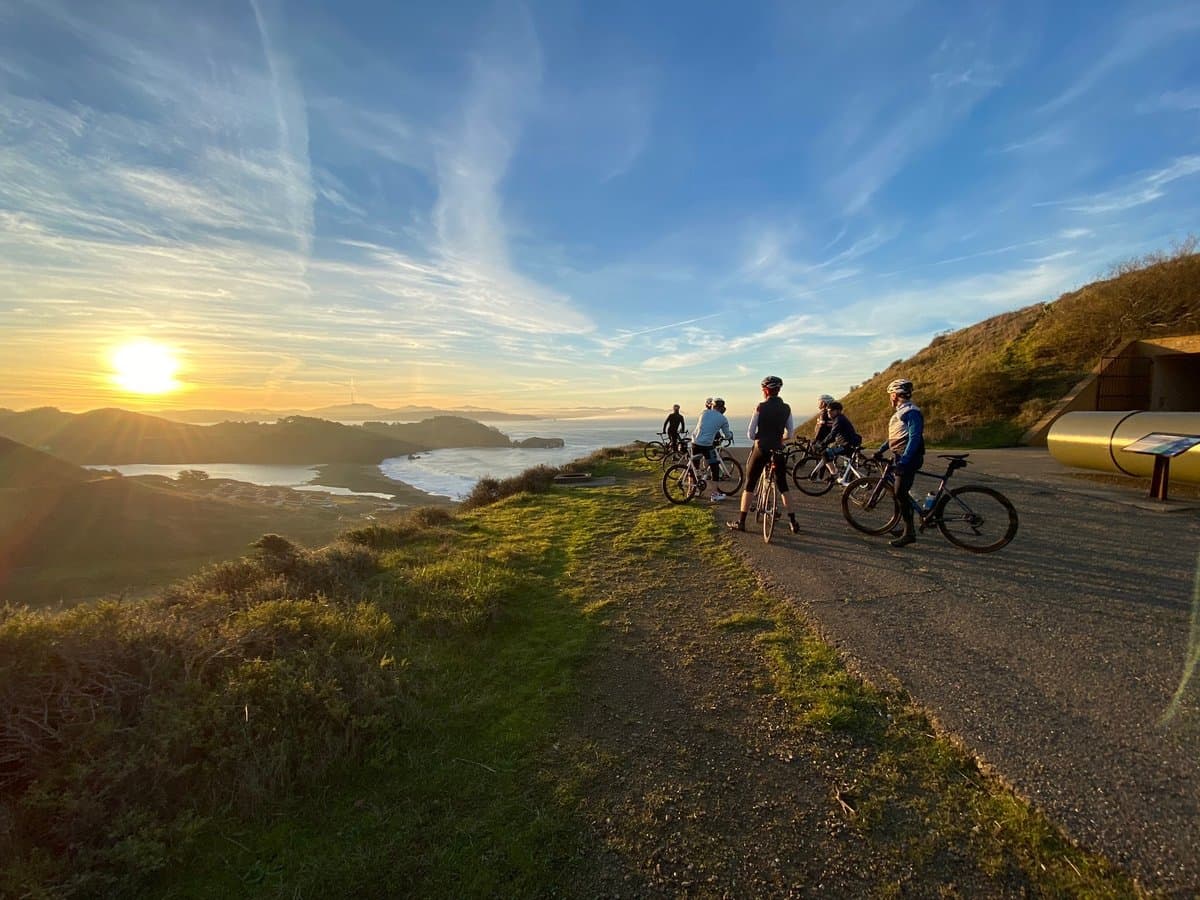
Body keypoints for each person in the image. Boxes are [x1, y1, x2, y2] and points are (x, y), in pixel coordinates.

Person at [727, 375, 801, 534]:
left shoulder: (760, 407)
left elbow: (750, 433)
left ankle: (741, 521)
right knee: (783, 486)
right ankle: (793, 521)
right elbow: (790, 433)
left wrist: (759, 438)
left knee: (750, 483)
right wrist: (779, 439)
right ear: (778, 390)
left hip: (761, 448)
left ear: (766, 391)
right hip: (778, 448)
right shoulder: (787, 408)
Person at [876, 378, 925, 548]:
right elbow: (895, 437)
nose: (890, 398)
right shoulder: (901, 411)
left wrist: (904, 460)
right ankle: (905, 526)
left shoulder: (911, 412)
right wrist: (880, 450)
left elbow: (914, 438)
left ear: (895, 395)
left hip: (909, 458)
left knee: (900, 492)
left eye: (890, 395)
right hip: (901, 456)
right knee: (901, 492)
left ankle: (909, 533)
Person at [691, 396, 733, 501]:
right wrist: (729, 436)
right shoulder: (723, 418)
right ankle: (714, 494)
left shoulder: (704, 413)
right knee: (714, 467)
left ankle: (692, 491)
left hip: (694, 442)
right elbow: (727, 435)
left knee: (694, 467)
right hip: (707, 445)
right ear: (722, 408)